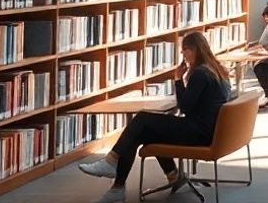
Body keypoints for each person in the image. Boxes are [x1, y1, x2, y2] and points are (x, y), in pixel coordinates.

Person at [78, 31, 232, 203]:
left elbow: (186, 108)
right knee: (143, 133)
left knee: (142, 119)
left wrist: (178, 80)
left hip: (198, 132)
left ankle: (112, 161)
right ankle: (129, 185)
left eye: (185, 50)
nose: (183, 54)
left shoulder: (201, 74)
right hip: (209, 131)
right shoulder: (217, 70)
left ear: (195, 49)